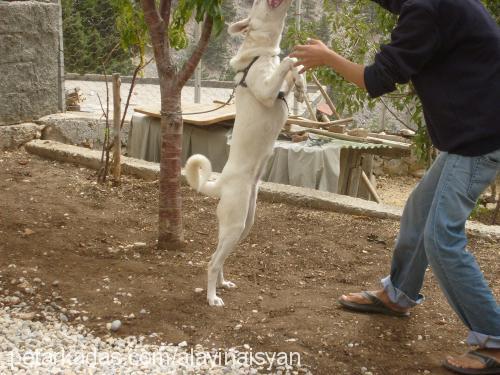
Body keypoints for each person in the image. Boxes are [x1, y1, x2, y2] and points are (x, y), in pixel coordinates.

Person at [290, 0, 500, 374]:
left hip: (479, 140)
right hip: (471, 135)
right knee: (419, 214)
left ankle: (494, 339)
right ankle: (398, 294)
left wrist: (327, 56)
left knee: (441, 238)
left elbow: (375, 80)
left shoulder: (427, 9)